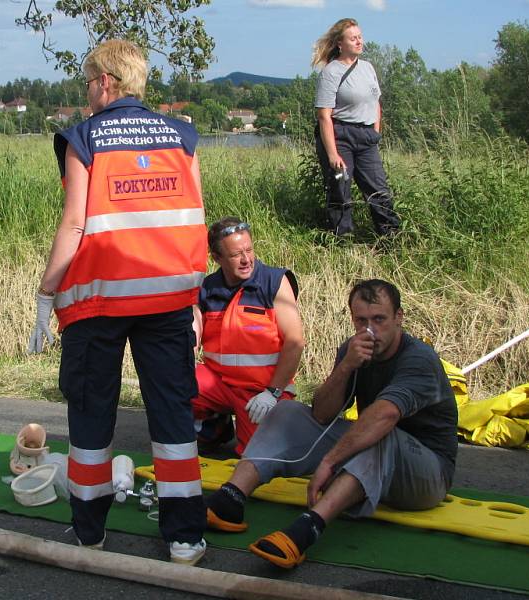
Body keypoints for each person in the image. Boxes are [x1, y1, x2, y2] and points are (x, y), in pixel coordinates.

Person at [27, 39, 208, 565]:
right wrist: (193, 298)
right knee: (173, 417)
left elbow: (75, 223)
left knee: (90, 416)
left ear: (105, 81)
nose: (86, 92)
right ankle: (185, 537)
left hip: (98, 305)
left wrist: (45, 293)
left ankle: (88, 532)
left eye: (87, 82)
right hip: (168, 299)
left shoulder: (85, 138)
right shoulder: (181, 136)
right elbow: (192, 218)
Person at [204, 279, 457, 569]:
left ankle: (307, 529)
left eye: (379, 319)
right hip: (376, 455)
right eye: (361, 321)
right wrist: (346, 366)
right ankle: (230, 499)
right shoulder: (353, 350)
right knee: (286, 411)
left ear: (399, 318)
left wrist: (330, 461)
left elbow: (384, 415)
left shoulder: (418, 359)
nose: (370, 330)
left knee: (379, 431)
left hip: (428, 473)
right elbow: (321, 414)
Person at [192, 216, 305, 456]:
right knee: (174, 383)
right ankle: (214, 427)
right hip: (219, 383)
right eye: (236, 255)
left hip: (262, 390)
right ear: (217, 258)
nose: (246, 260)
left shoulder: (274, 281)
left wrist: (272, 393)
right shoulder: (207, 288)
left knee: (257, 458)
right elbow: (191, 337)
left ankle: (273, 426)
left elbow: (295, 342)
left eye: (249, 250)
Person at [313, 18, 400, 238]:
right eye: (353, 38)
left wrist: (375, 132)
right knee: (341, 189)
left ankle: (391, 237)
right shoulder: (331, 72)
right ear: (340, 44)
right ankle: (342, 239)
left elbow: (376, 102)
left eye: (360, 37)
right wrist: (332, 153)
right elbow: (324, 116)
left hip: (366, 136)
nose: (359, 41)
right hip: (341, 135)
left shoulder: (368, 68)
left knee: (378, 189)